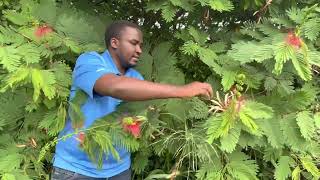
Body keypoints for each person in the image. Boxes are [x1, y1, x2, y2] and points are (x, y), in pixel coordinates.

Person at [51, 20, 213, 180]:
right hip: (77, 169)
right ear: (114, 42)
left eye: (141, 45)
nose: (139, 50)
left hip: (119, 170)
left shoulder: (136, 78)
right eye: (134, 43)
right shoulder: (90, 61)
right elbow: (116, 87)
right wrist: (182, 91)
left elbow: (137, 121)